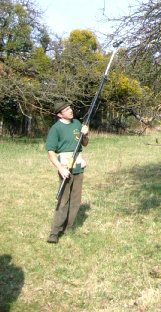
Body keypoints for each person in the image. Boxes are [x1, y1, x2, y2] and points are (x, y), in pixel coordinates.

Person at [46, 101, 89, 243]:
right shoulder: (56, 128)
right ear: (60, 114)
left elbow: (84, 143)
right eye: (66, 109)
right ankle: (54, 232)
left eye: (70, 108)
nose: (70, 111)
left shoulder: (77, 123)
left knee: (76, 200)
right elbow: (51, 152)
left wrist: (84, 135)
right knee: (63, 201)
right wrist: (60, 168)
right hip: (65, 166)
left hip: (78, 165)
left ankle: (69, 228)